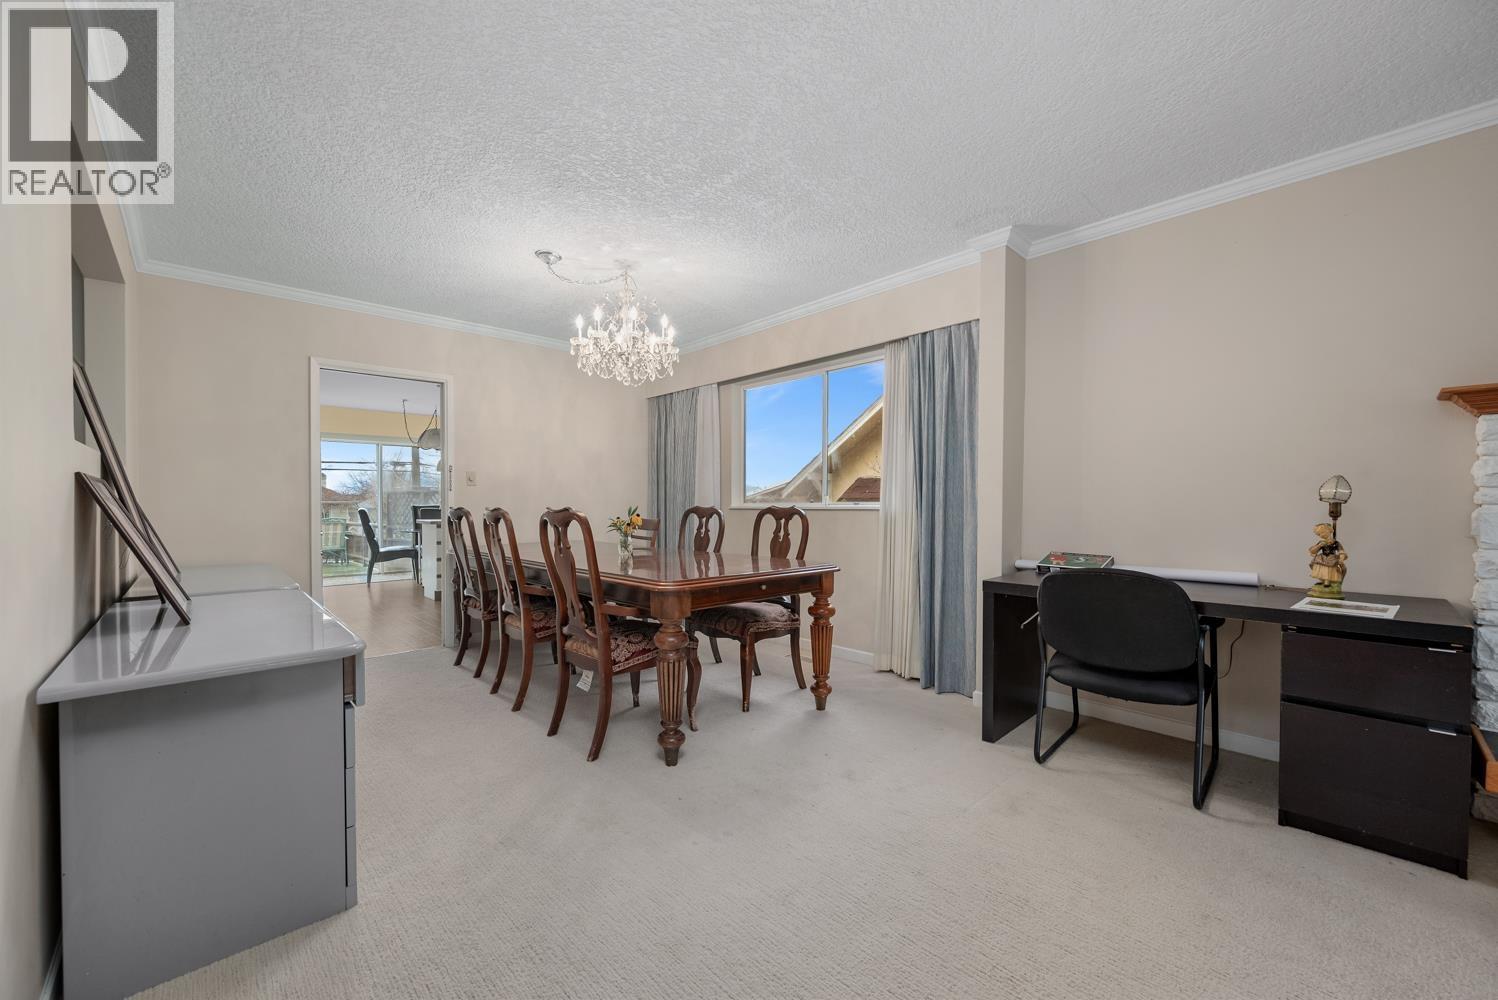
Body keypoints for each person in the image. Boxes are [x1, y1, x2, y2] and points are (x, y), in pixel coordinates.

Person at [1307, 522, 1347, 597]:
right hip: (1323, 557)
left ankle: (1327, 582)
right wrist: (1319, 546)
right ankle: (1322, 579)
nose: (1321, 535)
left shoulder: (1336, 543)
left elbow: (1341, 551)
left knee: (1329, 568)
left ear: (1330, 531)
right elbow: (1313, 551)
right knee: (1316, 565)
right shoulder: (1321, 542)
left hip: (1331, 557)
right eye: (1319, 534)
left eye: (1322, 533)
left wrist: (1341, 558)